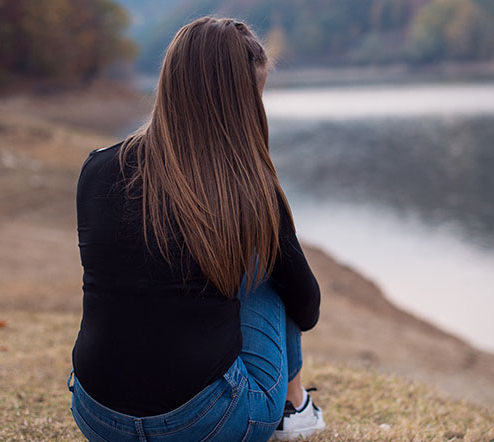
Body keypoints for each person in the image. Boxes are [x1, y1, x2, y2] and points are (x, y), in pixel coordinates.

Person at [67, 17, 324, 442]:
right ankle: (295, 409)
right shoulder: (245, 190)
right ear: (241, 103)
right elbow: (307, 306)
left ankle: (293, 408)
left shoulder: (95, 168)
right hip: (205, 425)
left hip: (98, 416)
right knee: (269, 269)